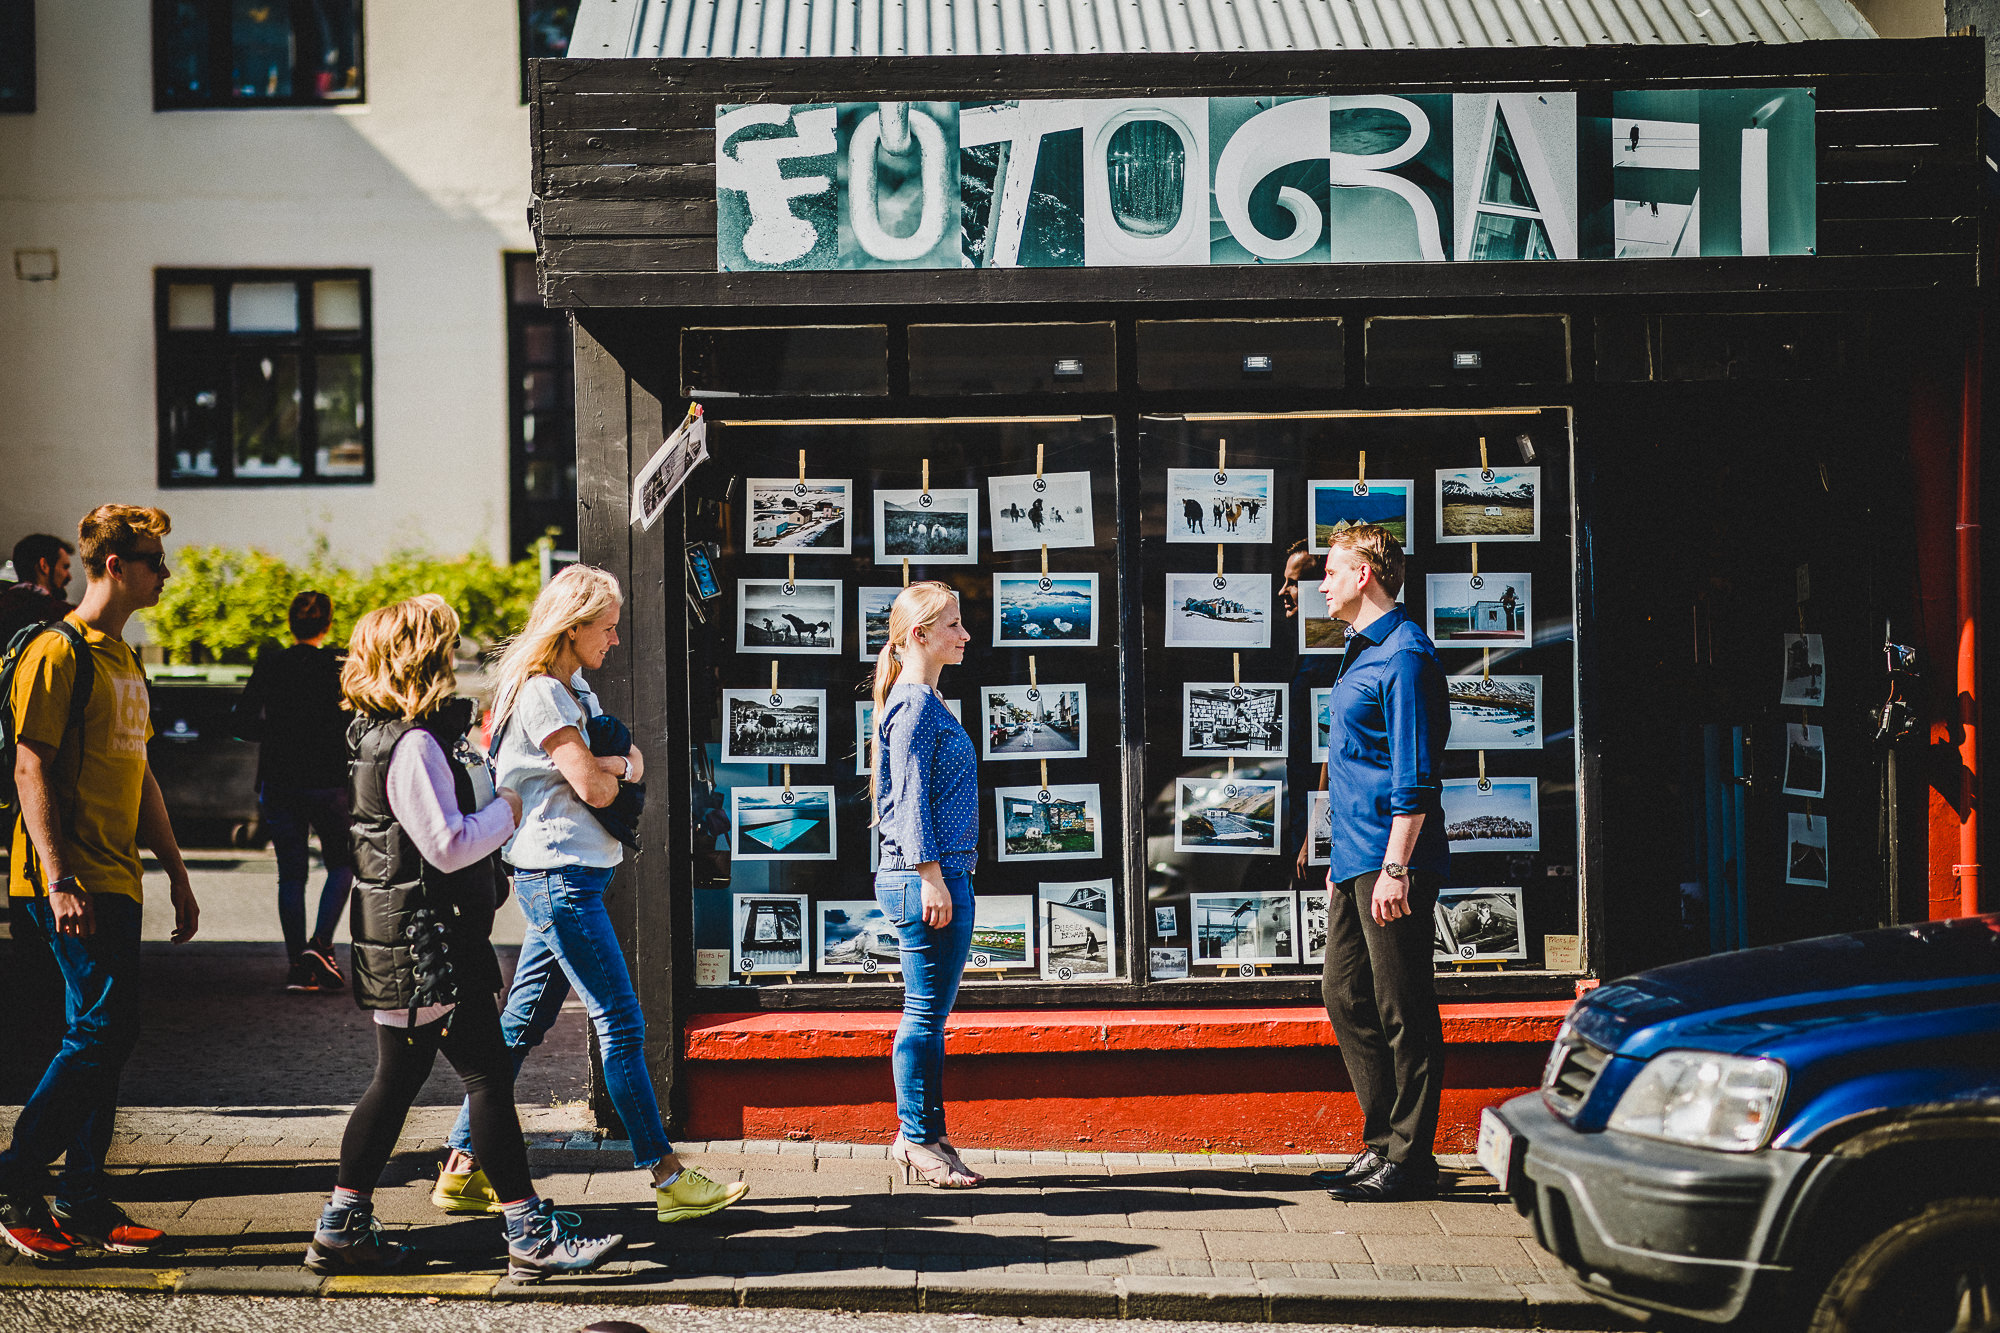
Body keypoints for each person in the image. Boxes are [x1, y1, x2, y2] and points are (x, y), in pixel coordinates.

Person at [306, 594, 622, 1279]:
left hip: (416, 941)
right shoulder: (411, 743)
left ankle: (341, 1222)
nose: (454, 657)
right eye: (445, 645)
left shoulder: (395, 733)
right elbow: (446, 844)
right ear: (421, 656)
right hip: (429, 945)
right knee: (483, 1080)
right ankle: (529, 1235)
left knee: (398, 1081)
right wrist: (510, 807)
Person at [432, 565, 747, 1227]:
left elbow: (628, 762)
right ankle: (666, 1177)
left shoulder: (572, 684)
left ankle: (461, 1168)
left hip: (568, 874)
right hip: (560, 879)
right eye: (606, 627)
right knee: (622, 1024)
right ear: (571, 626)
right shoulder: (545, 693)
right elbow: (607, 786)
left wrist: (616, 764)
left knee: (519, 1025)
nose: (615, 638)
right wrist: (615, 765)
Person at [0, 505, 200, 1264]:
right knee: (101, 1029)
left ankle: (83, 1198)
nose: (165, 571)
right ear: (114, 564)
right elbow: (31, 765)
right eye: (154, 559)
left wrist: (176, 870)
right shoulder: (58, 651)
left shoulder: (124, 656)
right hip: (68, 878)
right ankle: (19, 1180)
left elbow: (139, 770)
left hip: (119, 874)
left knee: (107, 1038)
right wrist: (59, 880)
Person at [1310, 525, 1450, 1204]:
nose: (1323, 583)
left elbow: (1414, 773)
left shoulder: (1404, 654)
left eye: (1332, 570)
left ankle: (1410, 1155)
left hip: (1395, 858)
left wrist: (1396, 864)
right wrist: (1336, 853)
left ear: (1366, 573)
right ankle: (1382, 1140)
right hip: (1357, 856)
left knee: (1404, 1007)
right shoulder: (1358, 651)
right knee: (1345, 993)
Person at [871, 581, 982, 1189]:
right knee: (923, 1016)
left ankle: (928, 1133)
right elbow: (908, 802)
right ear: (920, 635)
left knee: (931, 1018)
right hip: (926, 879)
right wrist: (931, 877)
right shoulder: (914, 704)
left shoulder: (921, 701)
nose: (964, 636)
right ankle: (915, 1137)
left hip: (938, 874)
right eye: (953, 626)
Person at [232, 590, 354, 992]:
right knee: (341, 863)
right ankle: (320, 944)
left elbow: (243, 723)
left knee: (291, 875)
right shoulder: (340, 663)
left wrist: (280, 733)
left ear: (290, 624)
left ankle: (296, 964)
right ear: (328, 624)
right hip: (329, 780)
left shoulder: (272, 662)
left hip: (280, 779)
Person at [0, 534, 75, 646]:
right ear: (44, 565)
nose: (69, 576)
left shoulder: (5, 605)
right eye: (65, 567)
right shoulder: (62, 614)